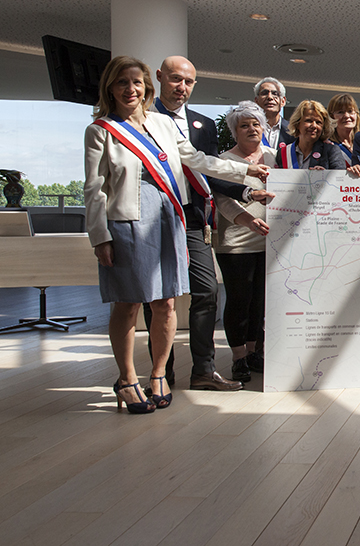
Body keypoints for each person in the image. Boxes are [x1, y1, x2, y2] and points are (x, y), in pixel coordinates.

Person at [84, 56, 267, 413]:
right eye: (122, 82)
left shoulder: (163, 124)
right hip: (127, 223)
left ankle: (158, 377)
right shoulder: (101, 130)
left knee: (166, 304)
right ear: (110, 87)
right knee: (128, 304)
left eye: (136, 83)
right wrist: (99, 236)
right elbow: (94, 189)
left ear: (146, 87)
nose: (130, 89)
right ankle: (127, 379)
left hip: (171, 218)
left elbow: (197, 160)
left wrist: (245, 170)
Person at [151, 55, 271, 392]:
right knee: (158, 299)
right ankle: (162, 373)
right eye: (175, 79)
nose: (182, 87)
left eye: (188, 81)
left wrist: (246, 186)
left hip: (194, 219)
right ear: (159, 77)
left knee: (207, 293)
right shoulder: (145, 119)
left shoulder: (201, 125)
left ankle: (203, 371)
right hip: (155, 217)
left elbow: (206, 169)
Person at [215, 101, 274, 382]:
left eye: (256, 124)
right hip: (236, 242)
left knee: (259, 302)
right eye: (244, 125)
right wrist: (247, 220)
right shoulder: (224, 160)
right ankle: (238, 357)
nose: (252, 129)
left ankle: (253, 352)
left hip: (270, 242)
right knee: (239, 300)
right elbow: (223, 200)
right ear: (234, 131)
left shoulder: (275, 156)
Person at [276, 100, 347, 169]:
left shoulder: (331, 151)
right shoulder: (283, 153)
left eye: (318, 122)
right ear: (297, 123)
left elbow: (340, 176)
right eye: (308, 121)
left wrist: (324, 174)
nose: (314, 126)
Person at [254, 77, 294, 148]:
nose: (270, 97)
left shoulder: (293, 130)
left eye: (275, 94)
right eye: (264, 93)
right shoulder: (248, 130)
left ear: (283, 101)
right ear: (256, 101)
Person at [327, 93, 360, 164]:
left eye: (350, 111)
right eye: (340, 112)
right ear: (332, 117)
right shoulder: (328, 145)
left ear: (356, 115)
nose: (346, 116)